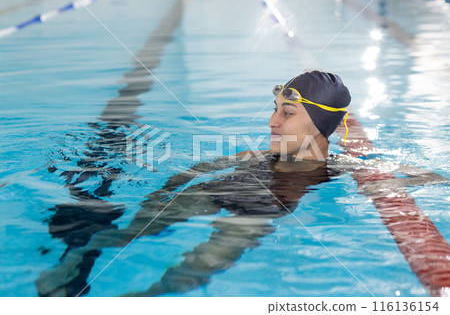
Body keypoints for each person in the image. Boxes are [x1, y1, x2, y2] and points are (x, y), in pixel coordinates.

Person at [36, 71, 448, 297]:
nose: (271, 122)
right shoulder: (254, 157)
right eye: (275, 110)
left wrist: (396, 182)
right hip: (223, 188)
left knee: (192, 272)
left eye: (287, 113)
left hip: (260, 210)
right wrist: (164, 194)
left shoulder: (341, 167)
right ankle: (81, 257)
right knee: (129, 234)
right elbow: (193, 171)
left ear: (322, 125)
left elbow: (415, 178)